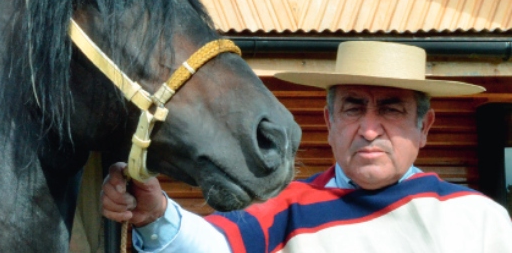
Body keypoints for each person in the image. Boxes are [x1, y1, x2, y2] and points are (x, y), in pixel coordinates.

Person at [101, 41, 512, 252]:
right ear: (328, 122)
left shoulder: (478, 219)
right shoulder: (287, 209)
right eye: (353, 108)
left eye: (391, 109)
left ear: (425, 127)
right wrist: (155, 213)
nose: (370, 130)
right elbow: (216, 246)